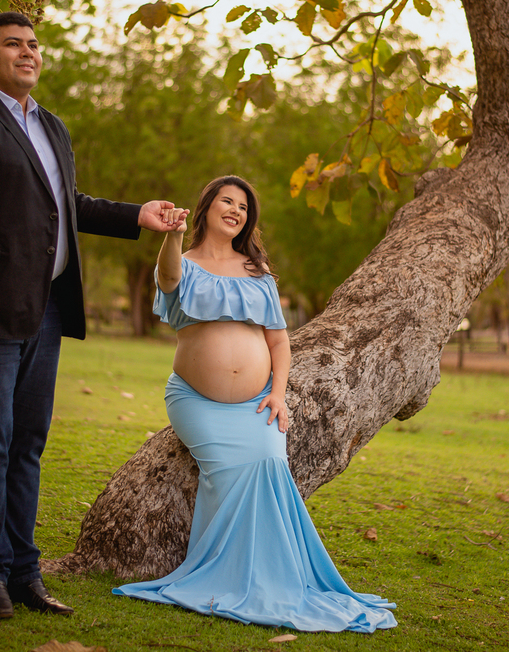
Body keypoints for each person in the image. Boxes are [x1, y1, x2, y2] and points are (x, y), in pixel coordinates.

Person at [0, 12, 184, 619]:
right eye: (14, 44)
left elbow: (67, 205)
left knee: (27, 444)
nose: (29, 52)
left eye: (34, 44)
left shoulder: (52, 126)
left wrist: (136, 215)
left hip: (45, 312)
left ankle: (25, 573)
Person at [113, 175, 397, 634]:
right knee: (227, 472)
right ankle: (221, 578)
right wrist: (172, 236)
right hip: (196, 400)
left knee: (268, 461)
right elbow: (167, 278)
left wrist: (278, 392)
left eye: (243, 207)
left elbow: (279, 343)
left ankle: (271, 580)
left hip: (256, 405)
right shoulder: (182, 262)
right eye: (227, 201)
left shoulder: (256, 272)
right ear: (206, 207)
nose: (236, 211)